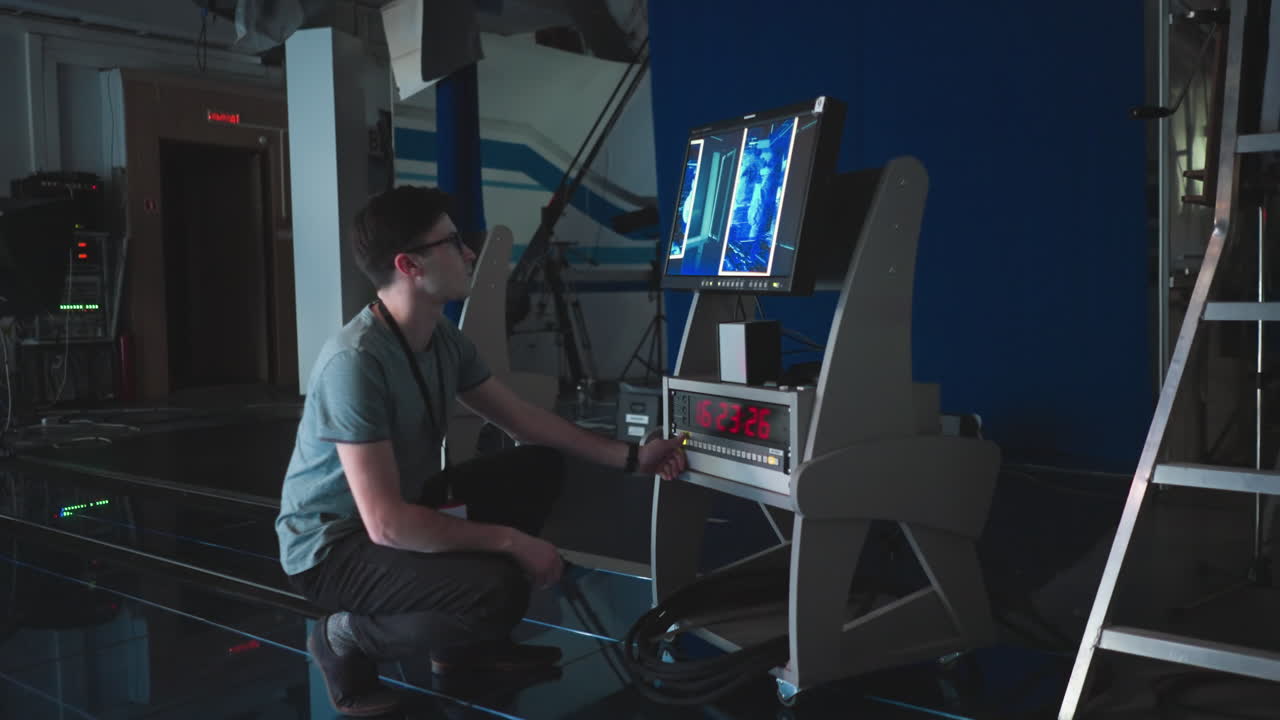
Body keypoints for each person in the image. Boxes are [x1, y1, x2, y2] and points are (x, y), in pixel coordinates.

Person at [276, 186, 688, 716]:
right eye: (453, 243)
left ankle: (459, 653)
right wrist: (512, 542)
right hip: (333, 550)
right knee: (495, 590)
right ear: (410, 265)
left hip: (404, 509)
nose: (469, 254)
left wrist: (633, 458)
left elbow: (521, 419)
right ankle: (343, 637)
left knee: (537, 466)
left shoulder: (442, 338)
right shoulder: (355, 363)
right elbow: (387, 526)